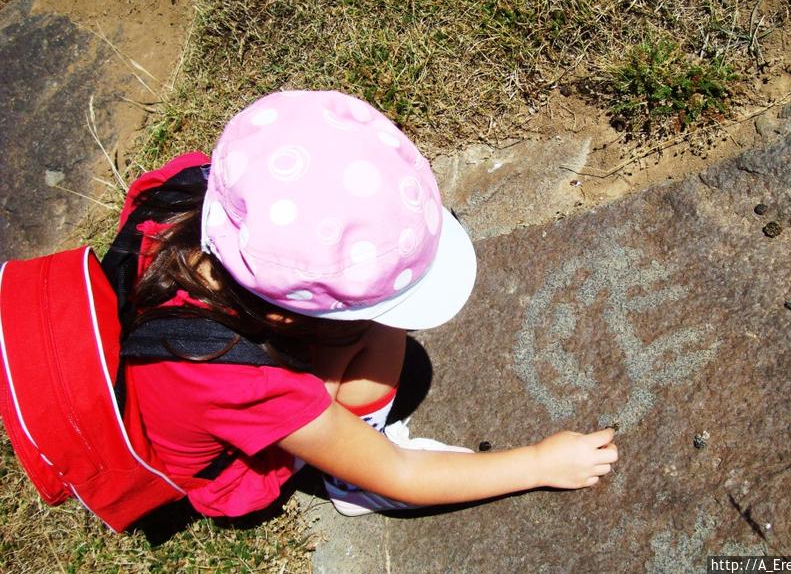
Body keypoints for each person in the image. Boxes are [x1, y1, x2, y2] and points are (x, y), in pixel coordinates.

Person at [125, 90, 618, 518]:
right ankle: (349, 483)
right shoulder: (243, 382)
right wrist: (539, 463)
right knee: (369, 331)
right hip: (234, 470)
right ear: (283, 316)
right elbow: (400, 474)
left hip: (202, 376)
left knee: (361, 328)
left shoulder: (197, 188)